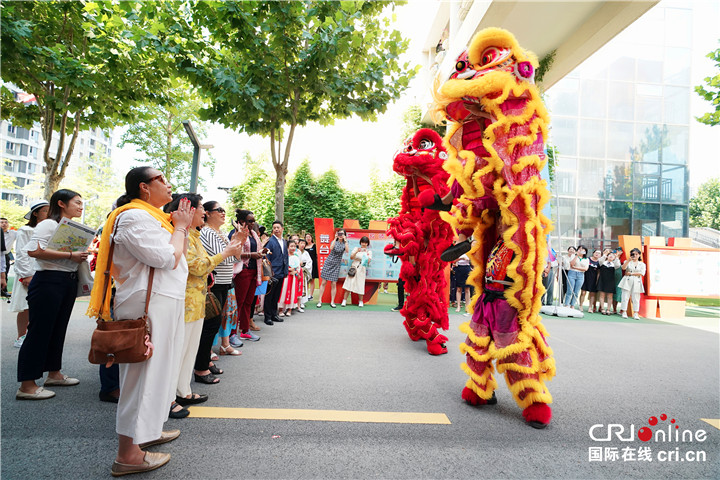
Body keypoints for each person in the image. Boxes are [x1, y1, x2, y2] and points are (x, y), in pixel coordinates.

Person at [86, 167, 191, 475]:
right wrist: (181, 227)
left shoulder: (154, 217)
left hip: (164, 300)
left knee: (160, 373)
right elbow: (165, 258)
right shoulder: (133, 217)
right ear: (144, 187)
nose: (169, 184)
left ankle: (147, 433)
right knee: (142, 378)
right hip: (148, 303)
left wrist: (178, 227)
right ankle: (128, 455)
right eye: (161, 179)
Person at [167, 194, 245, 415]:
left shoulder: (195, 235)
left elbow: (213, 263)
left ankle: (183, 390)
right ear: (187, 210)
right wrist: (226, 253)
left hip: (197, 300)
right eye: (201, 207)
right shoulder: (181, 235)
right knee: (179, 352)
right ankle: (170, 398)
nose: (204, 211)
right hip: (186, 302)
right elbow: (197, 267)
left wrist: (231, 249)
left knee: (189, 350)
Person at [17, 189, 87, 401]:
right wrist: (70, 255)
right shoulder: (48, 223)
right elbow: (33, 251)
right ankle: (27, 385)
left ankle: (54, 374)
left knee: (58, 329)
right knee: (39, 331)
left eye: (81, 203)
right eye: (77, 202)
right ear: (61, 203)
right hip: (48, 280)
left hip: (67, 281)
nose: (80, 206)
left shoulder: (71, 227)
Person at [199, 201, 241, 375]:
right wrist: (233, 249)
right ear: (208, 213)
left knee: (214, 325)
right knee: (210, 325)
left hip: (224, 282)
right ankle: (202, 365)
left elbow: (236, 257)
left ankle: (205, 362)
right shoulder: (207, 232)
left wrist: (237, 242)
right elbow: (224, 258)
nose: (223, 213)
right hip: (214, 284)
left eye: (224, 210)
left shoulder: (221, 233)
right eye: (219, 210)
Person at [10, 200, 49, 348]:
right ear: (35, 213)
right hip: (28, 273)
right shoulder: (25, 231)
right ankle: (21, 336)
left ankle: (35, 336)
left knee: (40, 307)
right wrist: (25, 275)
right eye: (45, 210)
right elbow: (21, 253)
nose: (48, 213)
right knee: (25, 306)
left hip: (43, 271)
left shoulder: (50, 230)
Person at [231, 209, 262, 341]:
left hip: (254, 271)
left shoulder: (253, 234)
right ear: (242, 221)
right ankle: (232, 334)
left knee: (248, 303)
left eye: (253, 221)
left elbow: (256, 250)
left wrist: (261, 252)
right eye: (250, 221)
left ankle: (245, 330)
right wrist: (251, 255)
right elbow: (233, 252)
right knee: (239, 302)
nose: (252, 223)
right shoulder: (236, 233)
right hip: (242, 271)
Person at [263, 221, 289, 325]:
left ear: (282, 229)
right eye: (274, 228)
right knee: (269, 295)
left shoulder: (284, 241)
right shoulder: (270, 241)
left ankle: (274, 314)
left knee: (276, 295)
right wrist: (268, 274)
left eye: (278, 227)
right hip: (273, 273)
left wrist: (285, 271)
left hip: (281, 272)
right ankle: (267, 317)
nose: (276, 229)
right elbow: (266, 258)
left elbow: (285, 257)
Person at [316, 228, 348, 308]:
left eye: (342, 234)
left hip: (336, 265)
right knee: (324, 282)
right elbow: (331, 248)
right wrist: (335, 238)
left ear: (344, 235)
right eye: (339, 234)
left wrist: (345, 240)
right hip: (329, 262)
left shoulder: (345, 243)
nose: (340, 235)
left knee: (333, 283)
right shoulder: (334, 241)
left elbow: (347, 251)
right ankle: (320, 300)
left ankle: (332, 302)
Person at [341, 236, 372, 307]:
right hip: (354, 267)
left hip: (362, 269)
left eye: (365, 243)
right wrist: (357, 251)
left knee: (360, 284)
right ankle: (344, 300)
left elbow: (368, 261)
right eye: (362, 242)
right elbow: (351, 257)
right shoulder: (356, 248)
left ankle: (360, 301)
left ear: (367, 244)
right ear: (360, 242)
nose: (363, 244)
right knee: (349, 283)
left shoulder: (369, 251)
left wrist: (366, 256)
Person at [619, 248, 646, 320]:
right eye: (633, 254)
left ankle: (636, 313)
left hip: (637, 281)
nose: (634, 255)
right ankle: (624, 311)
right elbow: (623, 268)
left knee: (636, 298)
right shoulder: (627, 262)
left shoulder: (642, 264)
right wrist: (628, 261)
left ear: (639, 255)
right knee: (625, 296)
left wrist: (631, 273)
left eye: (636, 254)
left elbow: (642, 273)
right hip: (627, 281)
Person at [278, 240, 302, 315]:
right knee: (283, 291)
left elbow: (298, 267)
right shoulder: (284, 256)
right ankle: (281, 309)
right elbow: (281, 266)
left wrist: (296, 272)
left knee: (292, 292)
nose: (293, 248)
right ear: (287, 247)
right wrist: (288, 269)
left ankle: (290, 309)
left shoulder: (296, 257)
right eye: (291, 246)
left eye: (294, 246)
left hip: (293, 278)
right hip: (286, 276)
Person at [1, 217, 17, 297]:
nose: (4, 224)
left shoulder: (13, 233)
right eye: (2, 222)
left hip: (5, 255)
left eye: (6, 222)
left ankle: (3, 291)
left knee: (5, 274)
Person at [297, 239, 313, 310]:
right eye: (301, 243)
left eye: (304, 243)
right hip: (296, 271)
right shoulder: (295, 252)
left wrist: (305, 268)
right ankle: (295, 302)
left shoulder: (306, 253)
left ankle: (302, 302)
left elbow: (309, 262)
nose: (302, 245)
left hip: (303, 270)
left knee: (303, 286)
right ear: (298, 244)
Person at [304, 233, 318, 299]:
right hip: (306, 265)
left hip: (313, 265)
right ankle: (305, 294)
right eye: (307, 237)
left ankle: (311, 295)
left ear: (311, 238)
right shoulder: (304, 246)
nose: (308, 238)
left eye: (309, 237)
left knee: (312, 280)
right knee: (306, 280)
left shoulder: (315, 246)